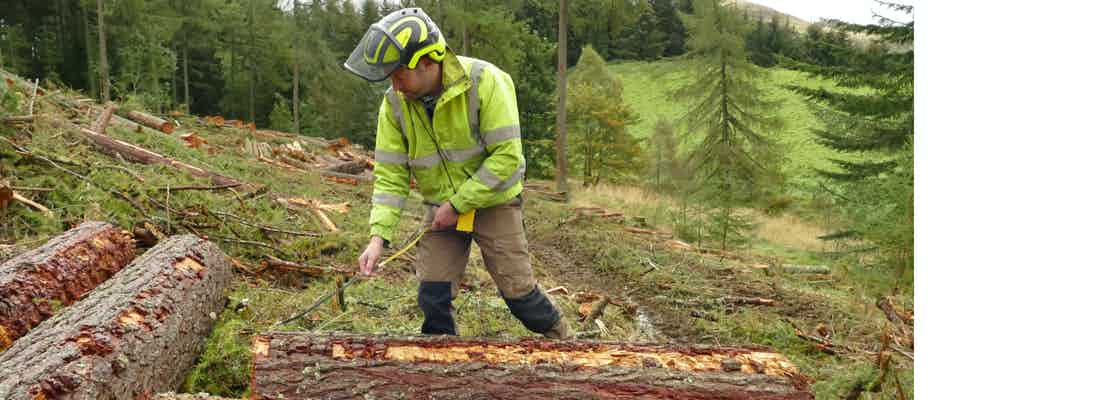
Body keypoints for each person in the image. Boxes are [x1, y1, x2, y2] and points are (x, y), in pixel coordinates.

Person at [345, 7, 570, 339]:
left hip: (494, 201)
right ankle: (444, 371)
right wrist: (378, 239)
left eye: (398, 74)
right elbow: (391, 176)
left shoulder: (485, 81)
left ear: (427, 62)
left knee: (520, 295)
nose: (394, 85)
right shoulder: (394, 105)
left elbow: (507, 158)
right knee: (432, 297)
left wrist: (459, 204)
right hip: (440, 208)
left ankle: (566, 343)